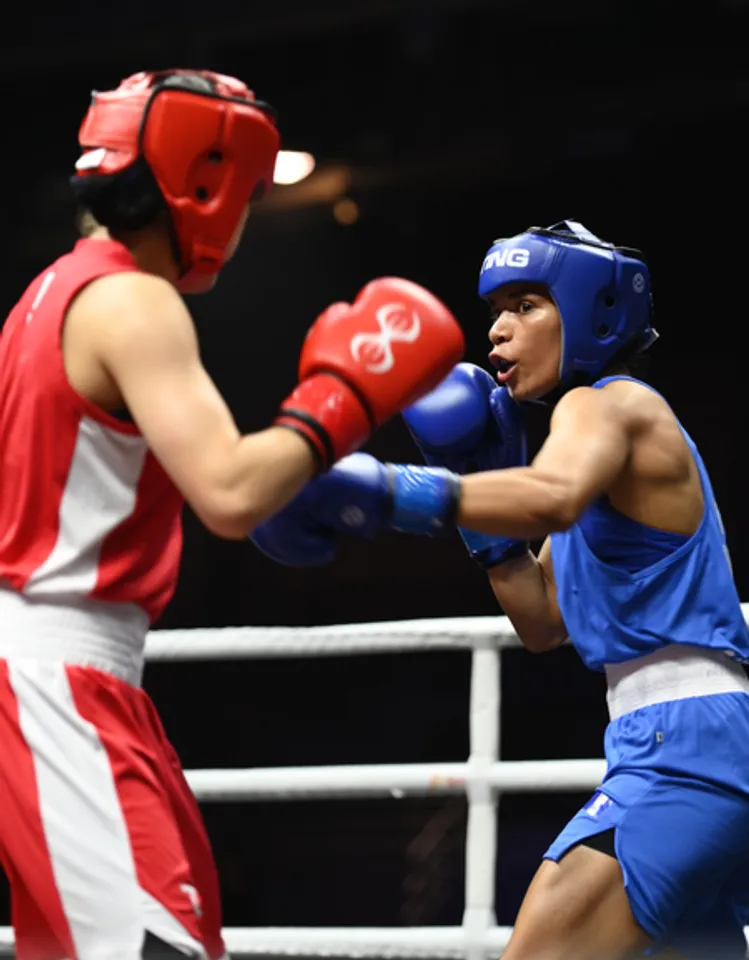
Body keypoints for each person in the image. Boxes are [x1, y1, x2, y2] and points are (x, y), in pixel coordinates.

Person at [0, 68, 465, 960]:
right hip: (59, 680)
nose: (244, 218)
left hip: (70, 675)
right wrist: (344, 399)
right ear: (202, 180)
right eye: (245, 193)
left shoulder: (49, 293)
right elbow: (231, 492)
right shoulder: (133, 300)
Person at [251, 219, 749, 959]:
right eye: (494, 313)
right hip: (685, 742)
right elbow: (541, 620)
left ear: (590, 311)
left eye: (525, 306)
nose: (498, 332)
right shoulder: (589, 458)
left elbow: (549, 496)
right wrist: (482, 520)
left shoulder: (608, 405)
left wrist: (396, 491)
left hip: (684, 751)